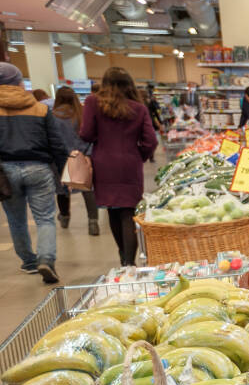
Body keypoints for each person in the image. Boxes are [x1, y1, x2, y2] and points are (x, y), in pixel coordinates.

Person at [79, 67, 157, 266]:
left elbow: (86, 134)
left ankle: (123, 259)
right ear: (129, 84)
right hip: (130, 164)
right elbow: (151, 141)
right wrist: (139, 156)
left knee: (112, 210)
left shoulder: (93, 102)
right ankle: (130, 263)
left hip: (103, 163)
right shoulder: (139, 108)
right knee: (129, 212)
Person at [0, 62, 68, 283]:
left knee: (16, 219)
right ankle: (46, 259)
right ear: (19, 83)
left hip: (6, 171)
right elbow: (56, 144)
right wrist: (63, 171)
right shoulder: (40, 108)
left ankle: (29, 262)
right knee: (45, 218)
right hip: (38, 168)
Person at [50, 86, 100, 236]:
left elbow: (50, 139)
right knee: (87, 188)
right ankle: (93, 222)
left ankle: (65, 217)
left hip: (60, 159)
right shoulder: (83, 114)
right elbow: (92, 136)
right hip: (81, 155)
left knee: (62, 190)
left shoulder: (52, 116)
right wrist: (88, 154)